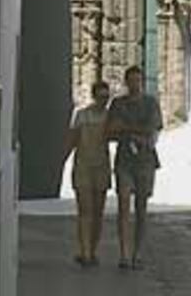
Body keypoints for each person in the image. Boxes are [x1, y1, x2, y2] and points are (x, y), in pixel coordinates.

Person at [106, 65, 163, 270]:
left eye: (138, 81)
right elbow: (110, 130)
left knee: (141, 208)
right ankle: (124, 253)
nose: (135, 85)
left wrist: (126, 128)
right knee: (123, 206)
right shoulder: (118, 104)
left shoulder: (150, 103)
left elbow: (152, 129)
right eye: (131, 81)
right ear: (126, 82)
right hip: (124, 161)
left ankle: (138, 253)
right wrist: (135, 131)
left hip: (146, 161)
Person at [63, 80, 111, 266]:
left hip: (102, 166)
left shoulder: (109, 117)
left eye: (106, 98)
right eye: (100, 97)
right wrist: (62, 160)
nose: (103, 101)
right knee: (85, 210)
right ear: (94, 96)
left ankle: (92, 249)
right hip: (83, 165)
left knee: (98, 211)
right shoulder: (81, 115)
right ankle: (85, 252)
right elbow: (72, 139)